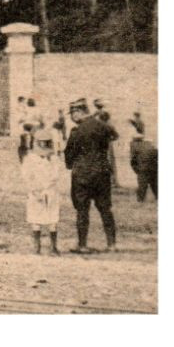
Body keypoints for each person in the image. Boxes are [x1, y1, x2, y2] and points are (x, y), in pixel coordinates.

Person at [64, 98, 117, 251]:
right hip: (102, 173)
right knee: (105, 208)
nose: (72, 118)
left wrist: (70, 165)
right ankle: (112, 244)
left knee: (82, 209)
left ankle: (82, 244)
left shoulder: (77, 131)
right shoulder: (103, 126)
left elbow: (69, 154)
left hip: (82, 175)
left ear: (79, 112)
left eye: (72, 114)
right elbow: (114, 136)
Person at [21, 128, 64, 255]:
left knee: (52, 218)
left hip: (50, 191)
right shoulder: (30, 159)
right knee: (36, 218)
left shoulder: (54, 159)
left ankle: (53, 247)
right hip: (35, 192)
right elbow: (26, 176)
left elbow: (56, 176)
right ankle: (37, 246)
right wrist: (35, 190)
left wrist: (46, 188)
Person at [128, 116, 156, 202]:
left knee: (142, 186)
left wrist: (137, 170)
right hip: (153, 167)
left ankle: (140, 200)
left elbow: (133, 161)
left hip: (143, 168)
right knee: (155, 185)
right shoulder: (149, 144)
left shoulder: (134, 145)